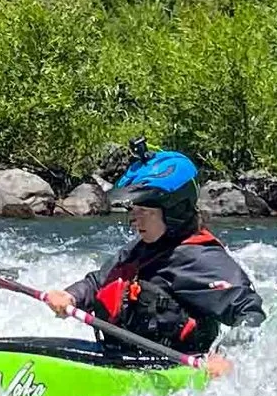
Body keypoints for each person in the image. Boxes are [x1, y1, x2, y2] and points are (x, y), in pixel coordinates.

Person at [40, 150, 264, 378]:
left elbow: (250, 312)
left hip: (170, 372)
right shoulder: (141, 248)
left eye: (145, 212)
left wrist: (226, 355)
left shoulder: (201, 259)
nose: (135, 220)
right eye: (134, 211)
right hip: (123, 357)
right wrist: (70, 296)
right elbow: (99, 281)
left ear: (174, 211)